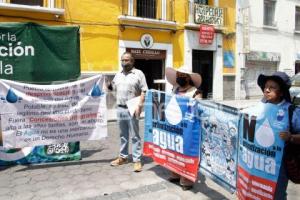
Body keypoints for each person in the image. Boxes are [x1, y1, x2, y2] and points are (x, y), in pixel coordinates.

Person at [257, 71, 300, 200]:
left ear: (281, 92)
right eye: (265, 87)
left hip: (279, 165)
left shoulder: (291, 111)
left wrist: (291, 137)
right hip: (258, 161)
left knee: (277, 194)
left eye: (272, 87)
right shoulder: (259, 108)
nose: (267, 90)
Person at [108, 52, 148, 172]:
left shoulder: (138, 73)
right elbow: (113, 88)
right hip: (120, 107)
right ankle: (123, 157)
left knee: (135, 135)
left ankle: (137, 160)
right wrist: (108, 85)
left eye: (127, 60)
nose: (124, 62)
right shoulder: (118, 74)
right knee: (123, 135)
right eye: (122, 60)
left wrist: (140, 105)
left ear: (132, 61)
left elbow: (144, 90)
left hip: (133, 107)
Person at [165, 66, 202, 190]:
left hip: (188, 128)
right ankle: (175, 174)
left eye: (183, 75)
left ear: (189, 78)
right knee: (174, 150)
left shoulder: (195, 91)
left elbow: (199, 108)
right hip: (174, 125)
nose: (180, 77)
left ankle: (187, 180)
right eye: (179, 75)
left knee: (186, 150)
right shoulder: (175, 88)